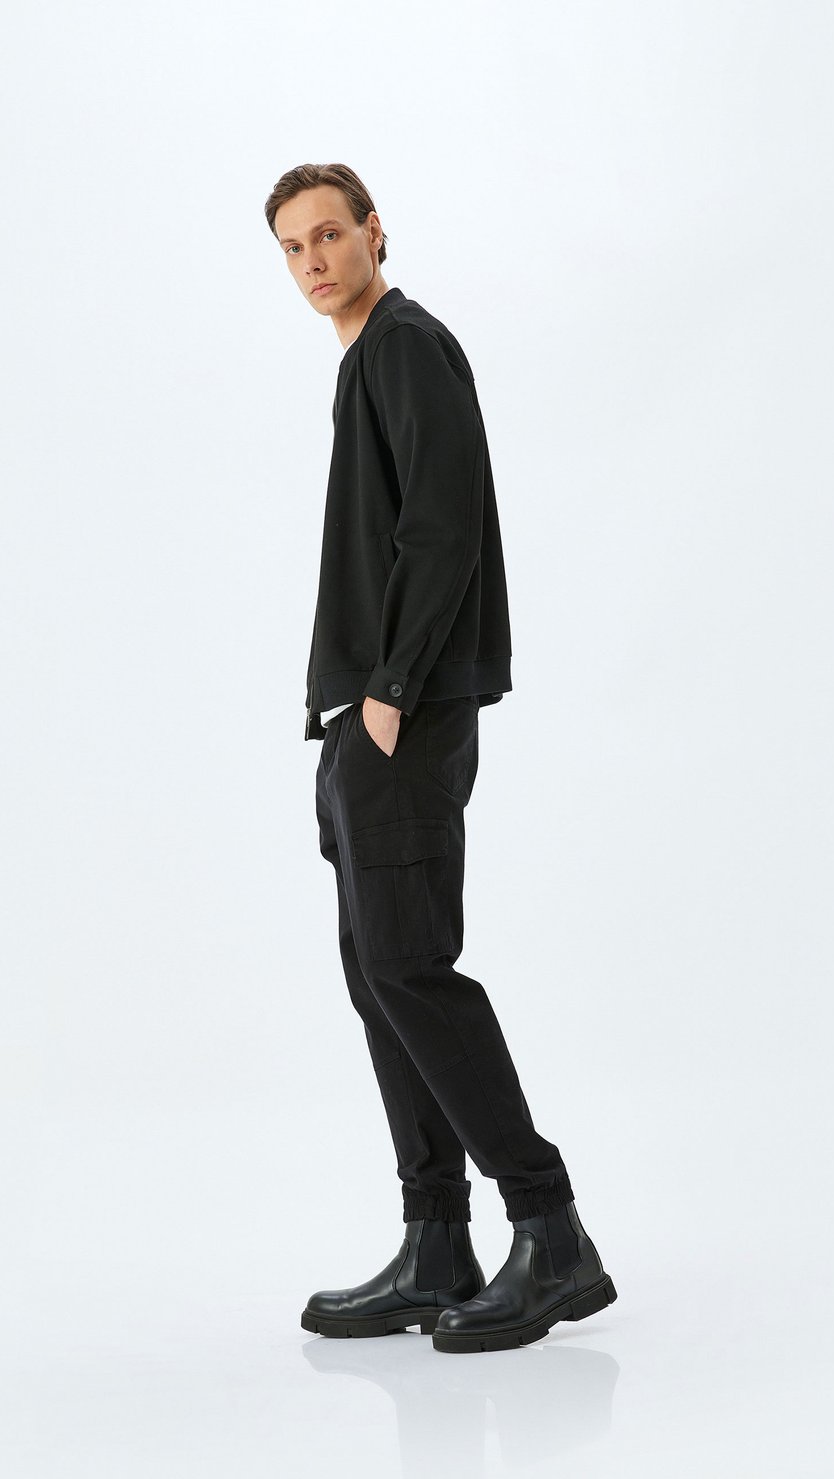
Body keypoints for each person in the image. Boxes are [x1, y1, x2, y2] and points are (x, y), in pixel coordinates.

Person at [264, 162, 617, 1353]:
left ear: (374, 232)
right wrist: (347, 716)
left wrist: (390, 690)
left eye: (329, 235)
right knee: (378, 975)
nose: (314, 261)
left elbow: (443, 520)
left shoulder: (406, 346)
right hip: (359, 721)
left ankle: (549, 1230)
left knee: (410, 965)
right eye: (293, 248)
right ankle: (436, 1244)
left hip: (400, 714)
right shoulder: (365, 361)